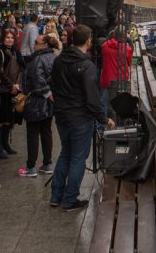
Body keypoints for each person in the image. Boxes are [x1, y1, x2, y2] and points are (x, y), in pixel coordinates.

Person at [49, 25, 114, 211]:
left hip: (62, 115)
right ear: (88, 41)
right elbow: (92, 99)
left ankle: (56, 195)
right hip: (79, 118)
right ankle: (70, 199)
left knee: (65, 153)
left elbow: (53, 84)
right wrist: (103, 119)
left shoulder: (60, 60)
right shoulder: (87, 66)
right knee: (78, 158)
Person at [18, 35, 56, 178]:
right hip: (48, 102)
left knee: (33, 133)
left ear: (44, 44)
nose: (34, 44)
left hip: (36, 100)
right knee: (46, 132)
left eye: (36, 42)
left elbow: (38, 80)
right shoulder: (54, 57)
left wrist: (47, 93)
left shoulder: (37, 59)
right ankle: (47, 163)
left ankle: (31, 167)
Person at [0, 29, 22, 158]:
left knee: (8, 119)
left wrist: (17, 85)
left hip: (12, 91)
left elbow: (21, 68)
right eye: (7, 37)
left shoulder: (16, 52)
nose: (9, 39)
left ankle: (5, 144)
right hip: (2, 91)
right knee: (0, 119)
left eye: (12, 37)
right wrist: (11, 85)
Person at [99, 29, 132, 122]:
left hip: (106, 80)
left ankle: (102, 126)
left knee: (104, 104)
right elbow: (129, 63)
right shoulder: (127, 49)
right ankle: (119, 124)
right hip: (121, 81)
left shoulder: (104, 46)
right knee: (121, 104)